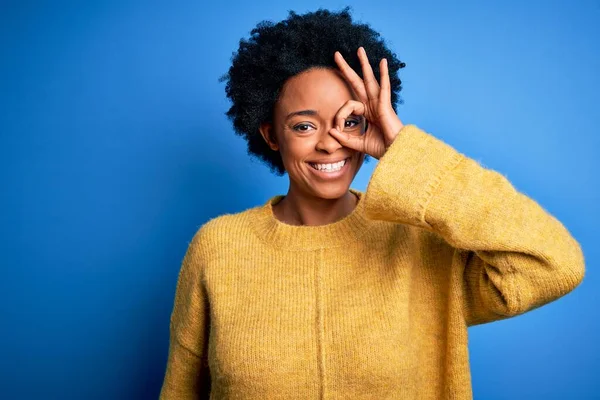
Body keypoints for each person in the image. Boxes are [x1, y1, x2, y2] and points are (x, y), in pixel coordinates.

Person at [159, 8, 585, 399]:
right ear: (272, 135)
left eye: (351, 122)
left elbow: (555, 263)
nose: (330, 144)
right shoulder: (217, 248)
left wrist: (403, 149)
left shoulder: (422, 242)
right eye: (304, 125)